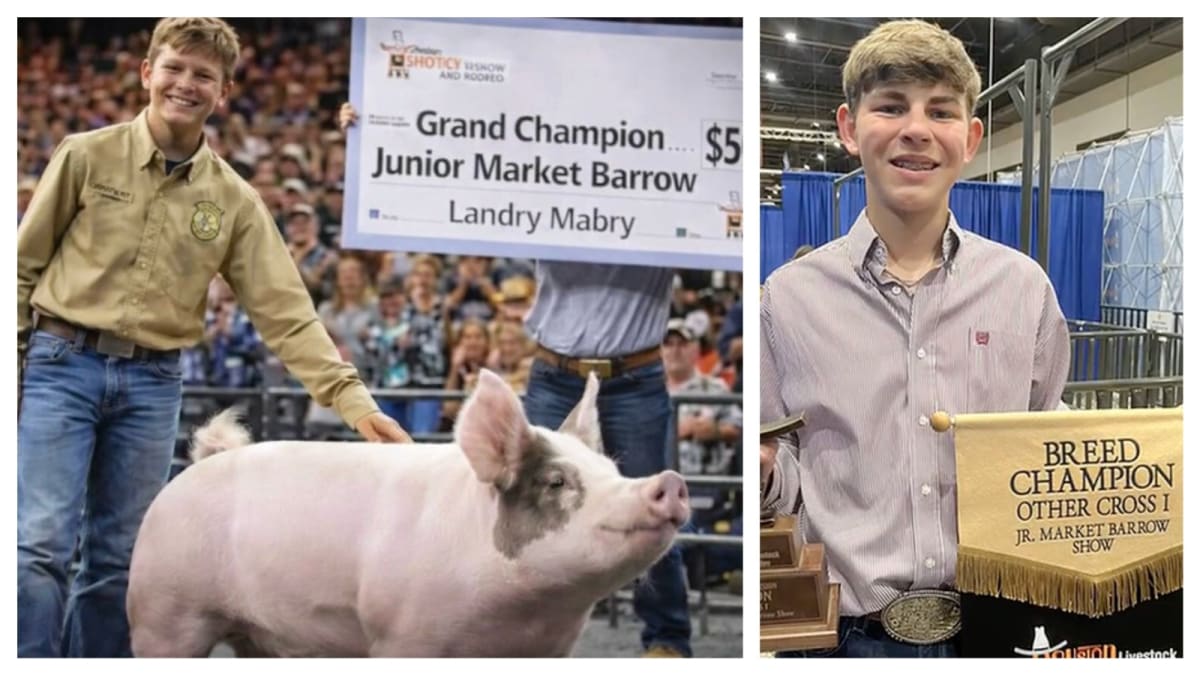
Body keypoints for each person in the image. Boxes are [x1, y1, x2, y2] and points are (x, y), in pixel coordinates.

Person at [16, 18, 410, 658]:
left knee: (120, 558)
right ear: (147, 72)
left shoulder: (234, 198)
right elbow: (21, 267)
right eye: (173, 67)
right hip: (62, 364)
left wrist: (355, 404)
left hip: (153, 381)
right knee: (39, 545)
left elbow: (286, 312)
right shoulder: (84, 155)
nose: (185, 84)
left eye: (204, 75)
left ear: (223, 92)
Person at [760, 19, 1071, 658]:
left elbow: (1046, 445)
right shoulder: (787, 299)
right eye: (892, 106)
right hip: (847, 640)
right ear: (849, 128)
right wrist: (759, 470)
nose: (916, 130)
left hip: (1000, 633)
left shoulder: (1025, 289)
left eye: (941, 111)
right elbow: (785, 476)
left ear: (970, 138)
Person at [339, 102, 693, 657]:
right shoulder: (538, 187)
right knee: (511, 501)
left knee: (658, 513)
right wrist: (377, 130)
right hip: (558, 371)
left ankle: (666, 642)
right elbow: (463, 178)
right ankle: (510, 631)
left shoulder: (668, 194)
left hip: (634, 376)